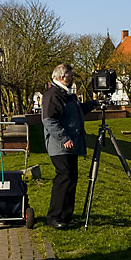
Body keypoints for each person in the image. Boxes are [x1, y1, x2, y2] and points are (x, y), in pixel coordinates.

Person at [42, 64, 97, 229]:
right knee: (63, 178)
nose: (73, 79)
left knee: (71, 178)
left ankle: (66, 216)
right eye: (70, 76)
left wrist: (94, 103)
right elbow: (49, 120)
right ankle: (54, 217)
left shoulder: (67, 94)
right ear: (61, 77)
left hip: (70, 145)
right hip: (60, 146)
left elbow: (77, 110)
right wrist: (64, 137)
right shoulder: (53, 95)